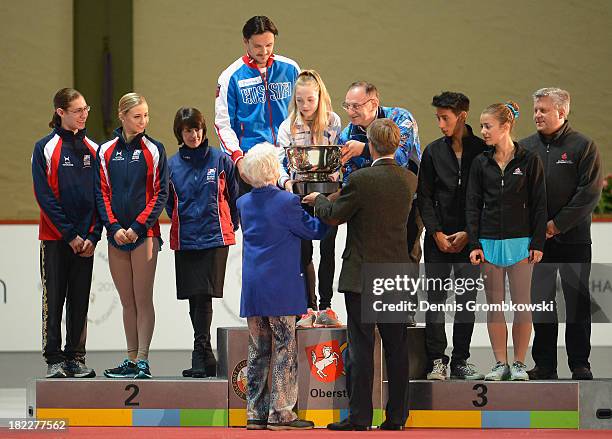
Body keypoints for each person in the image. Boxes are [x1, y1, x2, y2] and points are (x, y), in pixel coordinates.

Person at [303, 118, 417, 431]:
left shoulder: (362, 180)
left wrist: (320, 200)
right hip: (396, 275)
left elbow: (334, 217)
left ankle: (360, 417)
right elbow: (412, 228)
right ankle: (396, 418)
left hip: (362, 275)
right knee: (397, 349)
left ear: (371, 144)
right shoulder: (409, 180)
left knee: (361, 349)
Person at [238, 143, 326, 431]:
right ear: (274, 169)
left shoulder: (244, 204)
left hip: (254, 287)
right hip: (281, 288)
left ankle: (255, 413)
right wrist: (325, 208)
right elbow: (314, 230)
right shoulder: (287, 203)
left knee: (258, 349)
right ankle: (281, 413)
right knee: (285, 348)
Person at [521, 88, 603, 380]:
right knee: (542, 302)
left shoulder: (583, 146)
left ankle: (580, 363)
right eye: (536, 110)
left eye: (543, 109)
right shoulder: (525, 147)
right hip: (537, 242)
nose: (537, 115)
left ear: (562, 112)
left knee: (577, 302)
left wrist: (556, 225)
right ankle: (544, 364)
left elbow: (589, 193)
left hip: (574, 240)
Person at [466, 101, 546, 381]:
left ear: (506, 127)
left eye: (487, 126)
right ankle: (500, 363)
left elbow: (539, 205)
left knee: (522, 304)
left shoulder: (529, 160)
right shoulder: (480, 162)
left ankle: (520, 363)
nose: (483, 131)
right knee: (494, 305)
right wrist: (475, 244)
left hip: (522, 243)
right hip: (488, 243)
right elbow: (473, 205)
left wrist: (538, 242)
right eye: (481, 126)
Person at [96, 92, 169, 379]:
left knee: (142, 299)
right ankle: (129, 358)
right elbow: (101, 193)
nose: (143, 121)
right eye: (137, 116)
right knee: (127, 301)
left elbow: (160, 193)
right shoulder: (105, 151)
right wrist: (113, 228)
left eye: (146, 116)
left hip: (145, 234)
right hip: (116, 236)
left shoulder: (155, 149)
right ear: (122, 116)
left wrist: (138, 227)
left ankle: (143, 360)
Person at [338, 82, 422, 324]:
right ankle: (375, 307)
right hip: (371, 207)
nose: (351, 111)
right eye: (347, 106)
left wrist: (364, 149)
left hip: (407, 200)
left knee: (407, 253)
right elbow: (350, 176)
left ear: (373, 103)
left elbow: (401, 157)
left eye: (356, 105)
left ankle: (405, 309)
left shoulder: (400, 117)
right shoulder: (347, 134)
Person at [417, 92, 486, 381]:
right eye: (438, 118)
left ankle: (460, 360)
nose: (441, 124)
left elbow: (488, 199)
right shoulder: (432, 152)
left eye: (445, 118)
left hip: (470, 241)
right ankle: (437, 360)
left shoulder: (483, 151)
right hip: (439, 240)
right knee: (434, 302)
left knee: (466, 302)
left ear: (462, 116)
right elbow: (424, 197)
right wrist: (436, 233)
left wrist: (470, 234)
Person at [32, 88, 100, 378]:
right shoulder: (44, 148)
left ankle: (76, 356)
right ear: (61, 113)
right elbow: (44, 197)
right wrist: (70, 234)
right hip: (56, 239)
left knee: (80, 300)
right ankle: (54, 358)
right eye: (78, 110)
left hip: (86, 241)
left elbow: (101, 197)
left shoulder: (95, 150)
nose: (84, 114)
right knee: (54, 298)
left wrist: (92, 236)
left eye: (86, 108)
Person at [166, 107, 239, 378]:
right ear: (180, 133)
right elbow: (169, 203)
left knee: (204, 295)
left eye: (197, 129)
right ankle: (205, 354)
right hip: (186, 237)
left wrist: (230, 224)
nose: (194, 134)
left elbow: (234, 196)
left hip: (215, 237)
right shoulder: (171, 165)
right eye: (188, 130)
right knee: (193, 296)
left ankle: (200, 351)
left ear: (203, 130)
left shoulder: (221, 160)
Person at [277, 69, 342, 328]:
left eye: (310, 100)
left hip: (328, 195)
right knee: (303, 253)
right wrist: (286, 182)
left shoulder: (334, 121)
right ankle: (308, 306)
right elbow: (280, 162)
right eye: (300, 100)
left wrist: (335, 182)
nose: (305, 106)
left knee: (328, 251)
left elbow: (339, 158)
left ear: (320, 96)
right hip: (299, 198)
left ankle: (327, 306)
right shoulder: (288, 125)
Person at [215, 15, 300, 194]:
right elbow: (223, 125)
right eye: (257, 46)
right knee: (253, 220)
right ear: (245, 42)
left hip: (287, 159)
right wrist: (238, 159)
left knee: (288, 219)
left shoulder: (291, 69)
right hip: (250, 163)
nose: (264, 51)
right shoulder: (231, 77)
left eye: (269, 45)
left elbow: (305, 112)